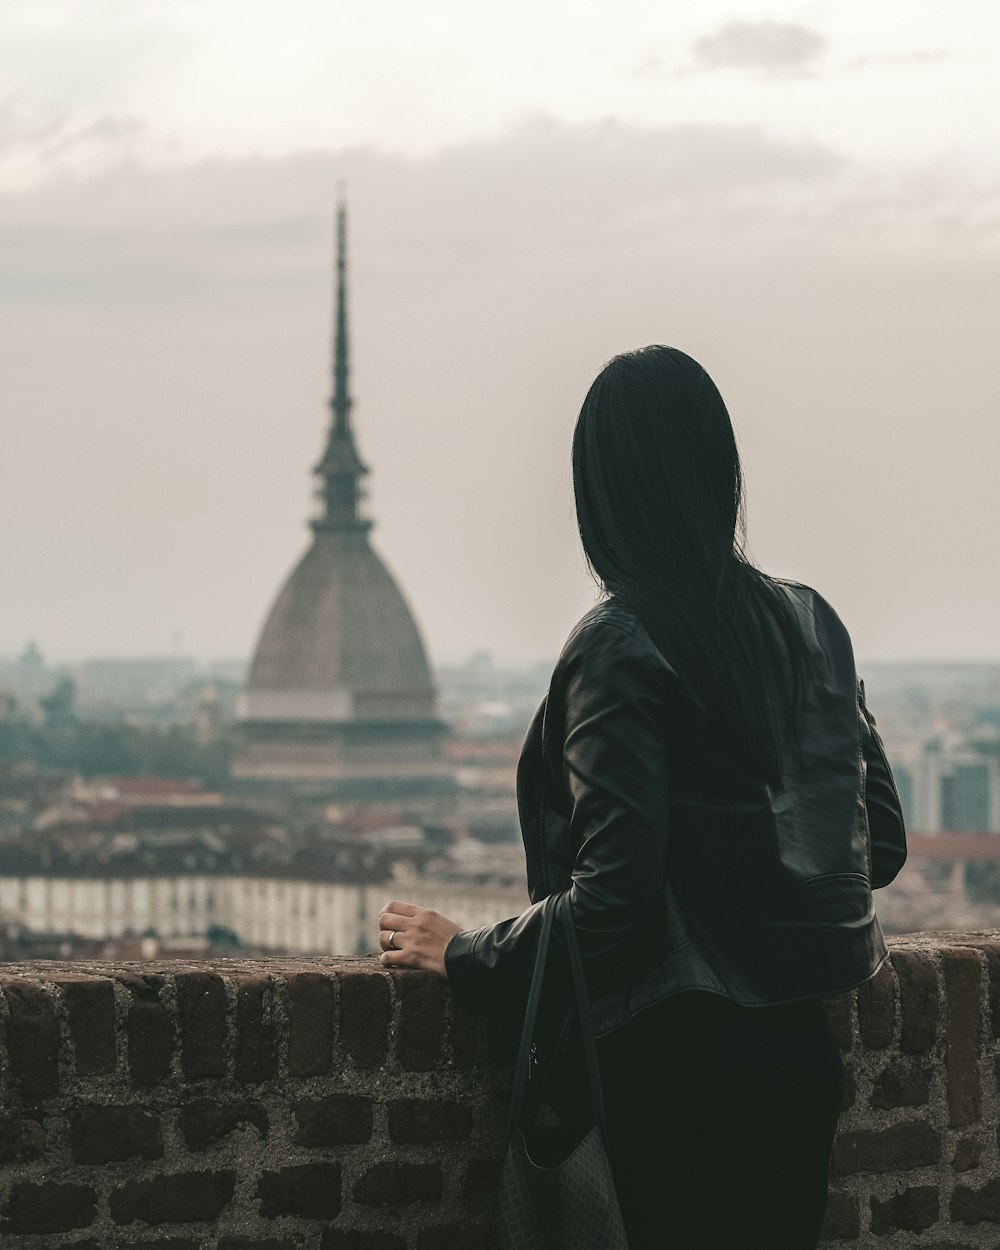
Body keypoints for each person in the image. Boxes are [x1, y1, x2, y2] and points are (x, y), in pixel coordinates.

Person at [376, 345, 907, 1250]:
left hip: (668, 1079)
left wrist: (468, 954)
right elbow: (878, 844)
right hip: (796, 1067)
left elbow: (615, 903)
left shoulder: (617, 643)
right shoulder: (813, 623)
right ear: (718, 473)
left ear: (600, 494)